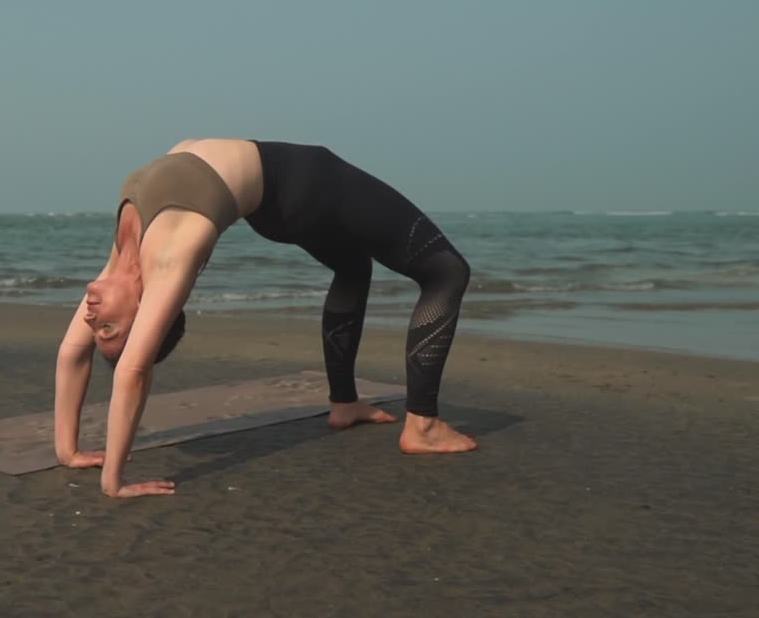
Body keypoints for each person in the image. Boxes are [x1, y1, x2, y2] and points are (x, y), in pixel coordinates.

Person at [53, 138, 476, 498]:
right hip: (307, 182)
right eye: (108, 328)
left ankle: (344, 405)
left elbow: (73, 353)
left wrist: (67, 451)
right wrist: (114, 482)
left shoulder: (118, 269)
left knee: (351, 267)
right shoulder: (169, 258)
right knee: (448, 271)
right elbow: (133, 369)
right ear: (144, 313)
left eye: (98, 329)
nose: (91, 320)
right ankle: (423, 424)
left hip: (278, 203)